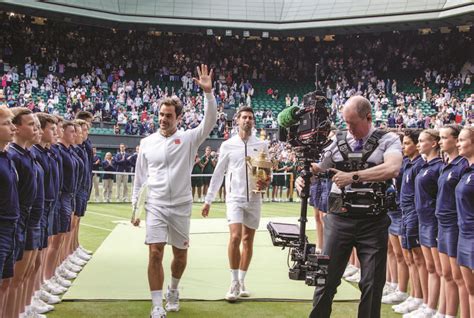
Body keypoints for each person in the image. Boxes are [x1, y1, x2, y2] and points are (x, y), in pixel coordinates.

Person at [295, 95, 403, 318]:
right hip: (339, 220)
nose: (348, 127)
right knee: (325, 281)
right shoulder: (337, 141)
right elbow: (318, 167)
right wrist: (304, 177)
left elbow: (392, 169)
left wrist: (352, 176)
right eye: (345, 122)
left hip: (373, 223)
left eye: (353, 123)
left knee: (372, 285)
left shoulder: (388, 140)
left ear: (368, 117)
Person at [131, 64, 217, 318]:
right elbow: (140, 178)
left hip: (181, 205)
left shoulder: (189, 138)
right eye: (161, 114)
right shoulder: (147, 143)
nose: (163, 119)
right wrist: (135, 207)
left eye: (169, 115)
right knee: (155, 252)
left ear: (178, 117)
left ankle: (173, 290)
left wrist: (208, 93)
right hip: (155, 204)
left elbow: (209, 122)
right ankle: (157, 304)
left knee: (180, 254)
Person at [201, 106, 269, 302]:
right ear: (237, 121)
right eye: (244, 117)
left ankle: (242, 280)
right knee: (235, 237)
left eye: (250, 118)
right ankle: (233, 282)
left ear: (253, 122)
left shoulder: (261, 145)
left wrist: (266, 181)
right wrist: (208, 200)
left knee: (248, 240)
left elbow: (266, 173)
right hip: (235, 198)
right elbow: (218, 173)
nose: (247, 120)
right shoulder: (228, 145)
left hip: (255, 198)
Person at [436, 125, 469, 318]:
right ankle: (445, 312)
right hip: (442, 223)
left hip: (456, 225)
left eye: (444, 137)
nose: (441, 142)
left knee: (459, 277)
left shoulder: (462, 166)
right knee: (446, 273)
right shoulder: (447, 164)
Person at [0, 106, 19, 317]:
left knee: (5, 283)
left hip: (10, 226)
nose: (12, 128)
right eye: (6, 123)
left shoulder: (6, 156)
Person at [454, 127, 474, 318]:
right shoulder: (465, 170)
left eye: (462, 140)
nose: (458, 143)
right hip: (463, 234)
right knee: (470, 290)